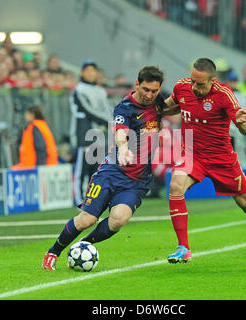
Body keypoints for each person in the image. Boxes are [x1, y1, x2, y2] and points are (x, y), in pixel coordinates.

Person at [162, 58, 246, 267]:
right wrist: (147, 111)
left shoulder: (224, 95)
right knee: (176, 185)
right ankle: (183, 248)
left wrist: (242, 122)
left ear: (213, 81)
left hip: (221, 158)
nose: (194, 87)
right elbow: (169, 107)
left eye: (200, 83)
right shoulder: (182, 87)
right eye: (193, 81)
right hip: (192, 154)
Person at [42, 66, 166, 270]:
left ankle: (84, 246)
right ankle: (53, 252)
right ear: (137, 84)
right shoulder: (125, 107)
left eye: (154, 91)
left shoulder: (159, 103)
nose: (149, 95)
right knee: (87, 219)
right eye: (145, 89)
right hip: (112, 172)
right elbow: (120, 132)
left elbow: (179, 106)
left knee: (119, 219)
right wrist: (124, 148)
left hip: (137, 181)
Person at [69, 60, 112, 205]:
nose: (90, 73)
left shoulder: (100, 90)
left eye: (93, 70)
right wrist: (109, 121)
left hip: (100, 134)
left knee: (97, 168)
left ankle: (93, 197)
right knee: (83, 168)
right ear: (82, 73)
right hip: (85, 133)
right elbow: (88, 110)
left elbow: (107, 109)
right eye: (87, 70)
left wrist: (112, 120)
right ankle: (79, 199)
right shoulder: (79, 90)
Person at [12, 105, 58, 169]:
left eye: (27, 114)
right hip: (41, 165)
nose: (25, 116)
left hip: (35, 166)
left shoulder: (36, 127)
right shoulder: (41, 125)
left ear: (32, 115)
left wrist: (40, 168)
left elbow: (40, 148)